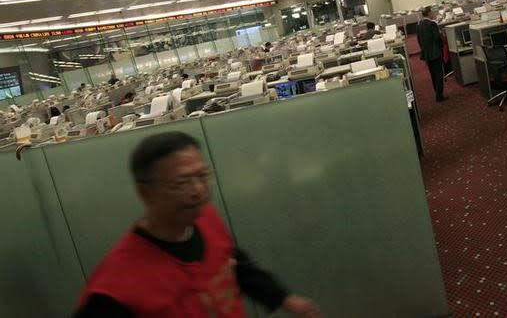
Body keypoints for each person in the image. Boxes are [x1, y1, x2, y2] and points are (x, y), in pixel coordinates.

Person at [74, 131, 322, 318]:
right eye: (181, 183)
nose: (198, 191)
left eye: (202, 176)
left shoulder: (205, 218)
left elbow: (235, 264)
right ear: (145, 193)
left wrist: (285, 299)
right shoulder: (116, 287)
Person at [416, 6, 447, 102]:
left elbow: (419, 40)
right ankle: (439, 95)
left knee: (433, 74)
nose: (433, 14)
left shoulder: (419, 25)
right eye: (432, 12)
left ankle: (437, 93)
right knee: (439, 74)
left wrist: (424, 50)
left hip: (426, 53)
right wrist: (441, 46)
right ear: (429, 13)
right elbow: (437, 38)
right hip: (435, 52)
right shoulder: (432, 24)